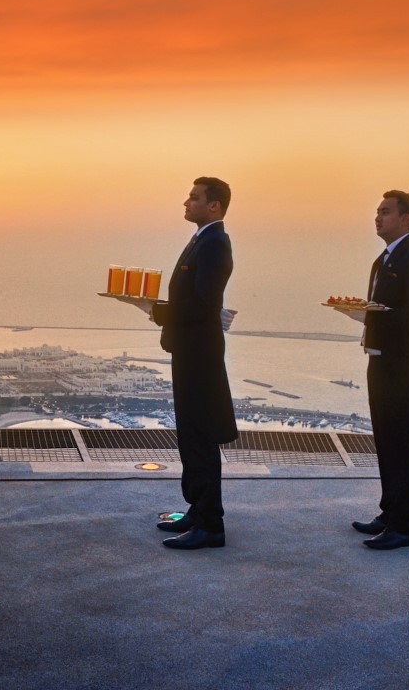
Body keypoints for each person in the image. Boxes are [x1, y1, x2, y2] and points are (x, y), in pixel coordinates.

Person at [339, 190, 409, 550]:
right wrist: (368, 316)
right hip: (379, 359)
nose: (378, 218)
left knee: (404, 443)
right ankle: (389, 512)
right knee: (385, 440)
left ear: (405, 218)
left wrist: (372, 316)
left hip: (403, 366)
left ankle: (403, 526)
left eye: (385, 212)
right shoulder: (383, 259)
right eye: (377, 212)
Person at [149, 177, 238, 550]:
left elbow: (203, 304)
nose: (186, 202)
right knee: (190, 436)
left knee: (200, 438)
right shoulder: (202, 239)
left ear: (214, 205)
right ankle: (197, 510)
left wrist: (157, 311)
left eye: (194, 197)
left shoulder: (215, 243)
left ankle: (210, 525)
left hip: (200, 356)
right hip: (190, 352)